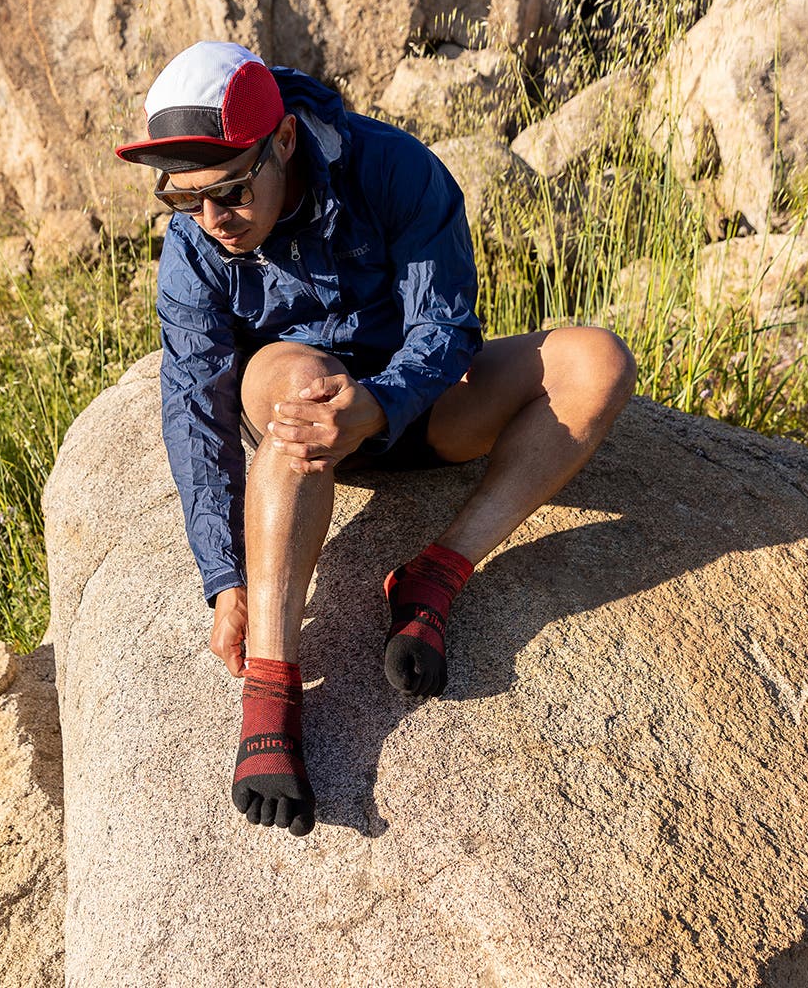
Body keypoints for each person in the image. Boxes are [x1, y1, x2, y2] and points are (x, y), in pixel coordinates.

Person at [115, 41, 636, 837]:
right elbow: (196, 405)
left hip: (417, 407)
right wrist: (224, 578)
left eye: (229, 191)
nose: (213, 221)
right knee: (302, 387)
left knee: (596, 361)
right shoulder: (197, 241)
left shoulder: (394, 167)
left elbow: (447, 323)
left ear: (282, 141)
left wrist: (382, 402)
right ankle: (272, 682)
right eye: (185, 200)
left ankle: (436, 571)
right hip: (294, 412)